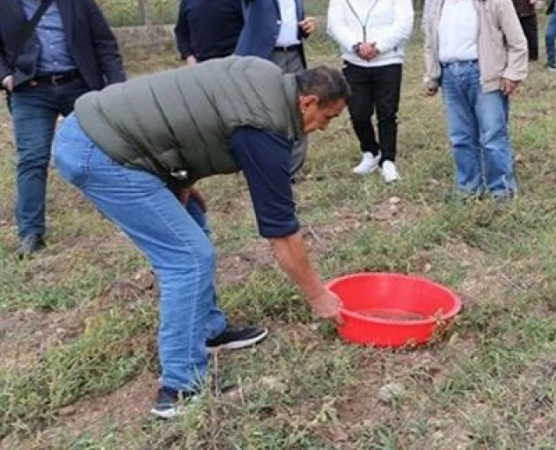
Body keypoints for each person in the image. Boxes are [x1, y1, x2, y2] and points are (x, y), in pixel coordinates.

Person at [52, 56, 348, 418]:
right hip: (101, 151)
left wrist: (181, 179)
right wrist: (319, 296)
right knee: (189, 258)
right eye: (329, 118)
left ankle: (208, 330)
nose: (325, 128)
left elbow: (197, 109)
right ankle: (179, 388)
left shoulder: (266, 76)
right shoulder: (265, 127)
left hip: (108, 131)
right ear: (308, 102)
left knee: (192, 215)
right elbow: (282, 232)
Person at [0, 0, 126, 256]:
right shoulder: (1, 0)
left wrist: (117, 87)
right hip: (31, 91)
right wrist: (5, 77)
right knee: (32, 158)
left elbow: (105, 45)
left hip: (79, 86)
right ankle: (30, 233)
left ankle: (119, 214)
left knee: (104, 151)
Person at [423, 0, 528, 200]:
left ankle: (501, 191)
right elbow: (430, 39)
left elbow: (517, 41)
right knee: (460, 137)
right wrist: (431, 75)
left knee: (492, 135)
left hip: (483, 73)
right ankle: (468, 189)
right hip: (450, 75)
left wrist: (512, 73)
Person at [326, 0, 414, 182]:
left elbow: (404, 23)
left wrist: (378, 46)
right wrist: (356, 45)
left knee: (387, 112)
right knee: (358, 112)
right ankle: (370, 152)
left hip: (388, 60)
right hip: (354, 61)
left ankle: (388, 160)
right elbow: (335, 25)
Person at [234, 0, 318, 178]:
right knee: (262, 111)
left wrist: (306, 27)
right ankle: (261, 166)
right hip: (263, 57)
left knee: (299, 108)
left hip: (293, 54)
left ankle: (293, 170)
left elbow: (288, 24)